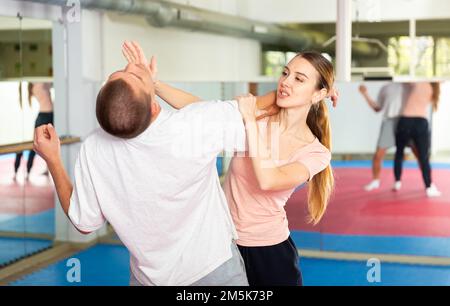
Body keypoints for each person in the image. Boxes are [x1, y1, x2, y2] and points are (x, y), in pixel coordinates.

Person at [32, 41, 281, 286]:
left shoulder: (95, 146)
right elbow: (264, 109)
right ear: (153, 108)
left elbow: (84, 223)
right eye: (134, 77)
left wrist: (53, 159)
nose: (132, 67)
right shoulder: (192, 125)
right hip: (213, 271)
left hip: (148, 280)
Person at [137, 41, 337, 286]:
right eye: (285, 73)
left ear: (318, 93)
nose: (286, 81)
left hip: (269, 251)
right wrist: (153, 84)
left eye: (299, 79)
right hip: (222, 246)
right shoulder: (259, 119)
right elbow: (199, 110)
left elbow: (269, 179)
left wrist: (250, 119)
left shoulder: (315, 152)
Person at [359, 82, 420, 191]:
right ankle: (375, 181)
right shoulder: (385, 88)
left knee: (419, 154)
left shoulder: (410, 85)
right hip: (389, 122)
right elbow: (377, 108)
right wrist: (365, 94)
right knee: (378, 155)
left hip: (406, 121)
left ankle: (427, 182)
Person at [393, 82, 441, 198]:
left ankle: (397, 181)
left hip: (405, 121)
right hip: (420, 122)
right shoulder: (434, 89)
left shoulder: (418, 82)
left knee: (399, 153)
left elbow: (404, 81)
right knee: (423, 156)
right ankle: (428, 186)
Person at [14, 82, 54, 180]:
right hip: (45, 116)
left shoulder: (35, 86)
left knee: (47, 145)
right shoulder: (38, 84)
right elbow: (51, 82)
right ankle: (28, 170)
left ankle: (35, 170)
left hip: (47, 116)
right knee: (36, 145)